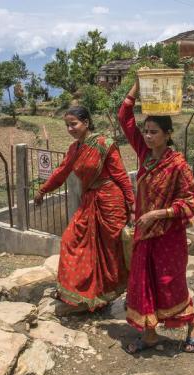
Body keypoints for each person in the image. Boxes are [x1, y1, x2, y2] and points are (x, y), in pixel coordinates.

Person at [118, 79, 194, 354]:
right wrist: (137, 87)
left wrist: (157, 213)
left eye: (154, 132)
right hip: (145, 235)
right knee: (145, 283)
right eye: (145, 131)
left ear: (167, 134)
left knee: (171, 283)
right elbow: (124, 116)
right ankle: (151, 335)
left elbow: (192, 202)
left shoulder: (178, 164)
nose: (147, 136)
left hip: (168, 236)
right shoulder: (145, 155)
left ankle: (193, 326)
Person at [35, 105, 135, 313]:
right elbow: (61, 172)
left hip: (110, 202)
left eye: (74, 124)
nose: (70, 129)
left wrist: (131, 205)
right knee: (71, 240)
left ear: (86, 123)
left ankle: (123, 292)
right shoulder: (74, 149)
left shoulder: (104, 145)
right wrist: (43, 190)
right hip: (89, 202)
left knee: (110, 252)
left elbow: (121, 176)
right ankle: (86, 292)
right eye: (67, 125)